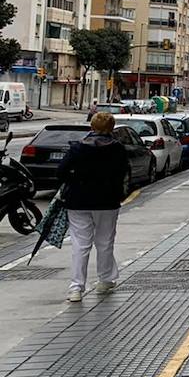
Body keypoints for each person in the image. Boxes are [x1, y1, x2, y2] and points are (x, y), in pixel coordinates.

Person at [56, 111, 129, 303]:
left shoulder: (78, 147)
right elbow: (123, 173)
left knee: (80, 244)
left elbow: (61, 171)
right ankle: (105, 280)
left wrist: (76, 180)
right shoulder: (117, 149)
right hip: (107, 201)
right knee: (105, 241)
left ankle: (76, 288)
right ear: (111, 128)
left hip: (78, 201)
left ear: (92, 127)